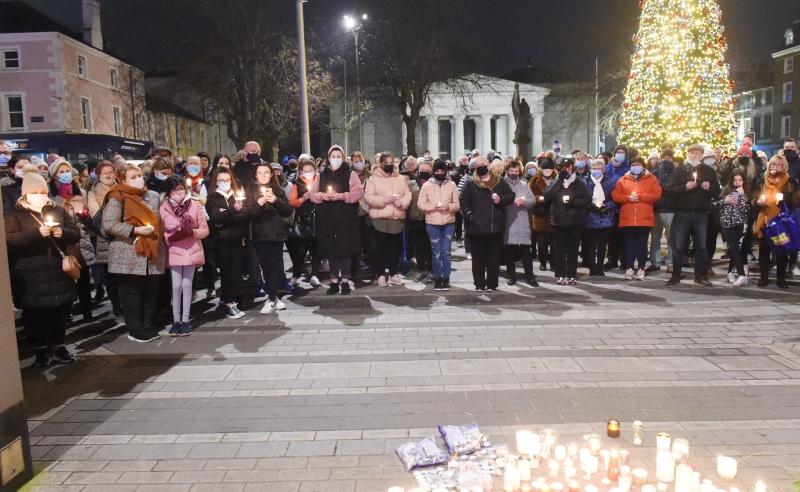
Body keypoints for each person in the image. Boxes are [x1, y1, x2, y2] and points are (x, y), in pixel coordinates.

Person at [6, 172, 79, 365]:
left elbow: (75, 233)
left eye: (41, 191)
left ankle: (58, 346)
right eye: (34, 191)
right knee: (34, 314)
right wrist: (37, 233)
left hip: (55, 269)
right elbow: (12, 240)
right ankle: (39, 349)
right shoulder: (15, 215)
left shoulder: (58, 210)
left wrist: (61, 232)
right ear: (25, 194)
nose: (38, 195)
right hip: (30, 272)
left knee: (57, 311)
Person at [103, 163, 166, 342]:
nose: (139, 179)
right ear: (122, 180)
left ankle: (148, 325)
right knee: (131, 294)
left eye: (139, 175)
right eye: (133, 176)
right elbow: (109, 224)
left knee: (150, 292)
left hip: (152, 251)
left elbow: (160, 220)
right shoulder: (117, 196)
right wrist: (135, 230)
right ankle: (135, 329)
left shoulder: (152, 196)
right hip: (128, 252)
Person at [309, 145, 364, 295]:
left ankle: (345, 280)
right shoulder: (321, 174)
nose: (336, 159)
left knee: (344, 250)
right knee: (331, 250)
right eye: (333, 156)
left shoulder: (350, 174)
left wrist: (342, 196)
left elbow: (359, 193)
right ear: (328, 158)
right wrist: (322, 196)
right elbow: (312, 194)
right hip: (326, 219)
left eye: (339, 156)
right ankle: (333, 280)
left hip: (345, 218)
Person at [665, 143, 721, 286]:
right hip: (683, 213)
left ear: (701, 155)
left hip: (701, 214)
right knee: (679, 246)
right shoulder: (680, 170)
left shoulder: (708, 171)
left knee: (701, 246)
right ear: (687, 154)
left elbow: (717, 191)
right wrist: (685, 187)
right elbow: (670, 190)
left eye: (697, 153)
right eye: (692, 153)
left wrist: (709, 188)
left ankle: (700, 275)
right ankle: (676, 275)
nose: (694, 155)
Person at [159, 176, 208, 335]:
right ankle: (176, 320)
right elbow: (161, 231)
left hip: (191, 249)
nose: (178, 193)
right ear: (168, 193)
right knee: (176, 285)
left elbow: (205, 230)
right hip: (174, 250)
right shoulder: (164, 208)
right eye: (174, 190)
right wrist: (170, 236)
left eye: (180, 189)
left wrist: (191, 232)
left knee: (187, 285)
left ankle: (185, 320)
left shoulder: (194, 205)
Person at [460, 157, 515, 291]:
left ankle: (492, 284)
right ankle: (479, 284)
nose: (481, 166)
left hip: (494, 227)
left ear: (488, 165)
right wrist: (469, 215)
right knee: (478, 259)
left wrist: (500, 199)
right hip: (476, 227)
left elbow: (511, 196)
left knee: (493, 258)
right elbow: (463, 200)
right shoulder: (470, 182)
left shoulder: (499, 181)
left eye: (483, 164)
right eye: (478, 165)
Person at [247, 162, 293, 314]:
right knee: (265, 267)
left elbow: (287, 211)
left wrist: (275, 200)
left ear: (271, 174)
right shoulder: (251, 190)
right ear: (255, 175)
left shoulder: (278, 190)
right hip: (259, 235)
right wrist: (259, 205)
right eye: (260, 173)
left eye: (266, 172)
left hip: (276, 234)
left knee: (275, 267)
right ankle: (272, 296)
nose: (263, 176)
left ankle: (272, 298)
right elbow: (250, 214)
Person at [364, 151, 412, 287]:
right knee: (380, 249)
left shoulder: (400, 178)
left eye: (392, 163)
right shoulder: (373, 179)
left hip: (396, 217)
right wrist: (384, 200)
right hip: (380, 218)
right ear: (380, 164)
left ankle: (393, 273)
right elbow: (368, 197)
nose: (389, 165)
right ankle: (380, 274)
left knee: (395, 249)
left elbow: (408, 194)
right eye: (387, 163)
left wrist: (402, 202)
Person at [206, 167, 248, 317]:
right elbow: (216, 218)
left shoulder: (236, 196)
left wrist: (227, 214)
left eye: (227, 180)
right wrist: (232, 211)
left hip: (237, 239)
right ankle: (228, 302)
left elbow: (244, 215)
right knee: (227, 273)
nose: (225, 182)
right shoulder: (213, 198)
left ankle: (231, 301)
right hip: (222, 241)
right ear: (216, 181)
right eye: (221, 180)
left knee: (236, 272)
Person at [612, 157, 662, 280]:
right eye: (633, 164)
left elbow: (656, 195)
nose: (636, 166)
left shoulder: (651, 179)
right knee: (629, 245)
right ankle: (629, 268)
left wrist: (641, 196)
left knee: (642, 245)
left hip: (644, 219)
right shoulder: (623, 179)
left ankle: (641, 268)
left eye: (638, 164)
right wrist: (627, 198)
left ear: (643, 166)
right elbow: (615, 195)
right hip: (628, 219)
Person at [752, 155, 797, 288]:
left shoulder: (791, 181)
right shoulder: (761, 181)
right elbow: (753, 199)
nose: (775, 167)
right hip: (765, 220)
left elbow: (797, 200)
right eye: (773, 165)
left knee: (782, 251)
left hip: (782, 221)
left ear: (784, 167)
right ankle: (763, 278)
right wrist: (757, 202)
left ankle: (781, 279)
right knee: (764, 250)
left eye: (779, 165)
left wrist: (786, 202)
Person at [544, 158, 591, 285]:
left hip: (575, 221)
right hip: (558, 221)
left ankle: (571, 274)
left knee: (572, 250)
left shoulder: (579, 183)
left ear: (573, 168)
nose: (567, 170)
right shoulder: (555, 181)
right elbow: (547, 196)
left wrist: (573, 202)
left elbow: (587, 199)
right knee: (559, 250)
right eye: (564, 167)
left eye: (569, 167)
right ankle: (560, 274)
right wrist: (559, 180)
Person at [418, 159, 460, 290]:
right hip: (432, 223)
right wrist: (434, 207)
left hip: (448, 223)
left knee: (446, 252)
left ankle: (446, 278)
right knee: (436, 252)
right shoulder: (427, 186)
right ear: (433, 171)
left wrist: (448, 207)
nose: (440, 173)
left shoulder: (452, 185)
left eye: (442, 171)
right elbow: (421, 204)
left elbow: (457, 205)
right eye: (437, 171)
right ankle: (437, 278)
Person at [87, 160, 121, 316]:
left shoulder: (122, 188)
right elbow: (96, 216)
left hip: (122, 235)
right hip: (105, 238)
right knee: (111, 275)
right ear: (98, 175)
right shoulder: (93, 192)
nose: (108, 174)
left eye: (111, 171)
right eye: (104, 172)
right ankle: (116, 305)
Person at [502, 160, 538, 287]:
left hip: (522, 221)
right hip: (509, 221)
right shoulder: (502, 184)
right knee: (510, 252)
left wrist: (524, 202)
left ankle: (530, 277)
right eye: (511, 171)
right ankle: (512, 276)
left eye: (516, 171)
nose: (513, 173)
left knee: (526, 252)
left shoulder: (524, 184)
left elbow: (533, 200)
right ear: (507, 171)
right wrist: (510, 202)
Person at [288, 157, 321, 287]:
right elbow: (292, 201)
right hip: (303, 220)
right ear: (301, 171)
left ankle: (315, 274)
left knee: (317, 249)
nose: (308, 172)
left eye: (310, 170)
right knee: (301, 250)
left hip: (318, 218)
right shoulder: (297, 183)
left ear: (314, 170)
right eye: (305, 170)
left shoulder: (319, 181)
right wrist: (303, 198)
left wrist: (317, 196)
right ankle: (296, 275)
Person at [714, 171, 750, 287]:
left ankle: (732, 273)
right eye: (735, 180)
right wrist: (725, 201)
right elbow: (715, 204)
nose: (737, 182)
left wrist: (742, 195)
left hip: (739, 224)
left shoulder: (746, 192)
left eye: (740, 180)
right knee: (734, 248)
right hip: (726, 224)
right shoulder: (726, 190)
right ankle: (742, 275)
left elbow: (745, 209)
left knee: (735, 249)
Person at [584, 159, 616, 276]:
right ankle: (592, 267)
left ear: (603, 170)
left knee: (602, 246)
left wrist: (605, 206)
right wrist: (591, 206)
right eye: (594, 168)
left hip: (604, 218)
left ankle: (600, 267)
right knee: (591, 245)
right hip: (589, 217)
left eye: (599, 168)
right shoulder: (585, 182)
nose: (596, 170)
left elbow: (614, 200)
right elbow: (582, 199)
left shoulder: (609, 182)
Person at [649, 149, 677, 273]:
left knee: (672, 238)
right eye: (664, 157)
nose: (667, 159)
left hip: (672, 209)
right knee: (655, 237)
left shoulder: (677, 172)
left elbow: (677, 189)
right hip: (656, 209)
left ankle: (671, 263)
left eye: (669, 157)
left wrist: (663, 186)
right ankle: (655, 262)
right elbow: (652, 188)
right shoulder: (654, 171)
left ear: (672, 158)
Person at [604, 145, 631, 271]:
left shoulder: (629, 167)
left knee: (623, 236)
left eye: (622, 152)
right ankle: (612, 259)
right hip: (610, 206)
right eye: (618, 152)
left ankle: (624, 260)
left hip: (624, 205)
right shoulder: (608, 167)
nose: (620, 154)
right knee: (611, 236)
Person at [408, 160, 433, 283]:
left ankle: (430, 271)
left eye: (427, 170)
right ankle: (421, 270)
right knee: (419, 248)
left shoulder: (434, 183)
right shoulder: (411, 184)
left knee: (430, 247)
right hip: (415, 221)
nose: (424, 172)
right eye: (422, 170)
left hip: (430, 220)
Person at [530, 156, 556, 270]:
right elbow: (529, 195)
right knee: (542, 242)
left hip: (555, 214)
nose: (548, 172)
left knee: (554, 242)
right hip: (541, 213)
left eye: (550, 170)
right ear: (541, 170)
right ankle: (543, 262)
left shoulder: (557, 179)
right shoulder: (535, 180)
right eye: (545, 170)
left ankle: (553, 262)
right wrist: (538, 198)